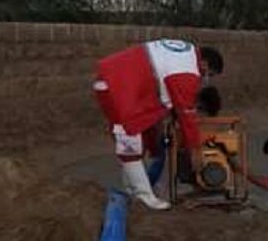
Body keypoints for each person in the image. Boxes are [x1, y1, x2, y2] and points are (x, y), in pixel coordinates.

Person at [93, 39, 224, 210]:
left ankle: (132, 190)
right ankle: (144, 196)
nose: (206, 79)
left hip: (119, 82)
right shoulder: (187, 71)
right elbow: (187, 115)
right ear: (204, 63)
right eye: (210, 74)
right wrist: (195, 150)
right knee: (130, 146)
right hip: (119, 88)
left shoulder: (185, 52)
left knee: (136, 141)